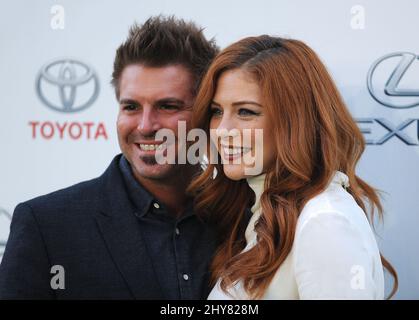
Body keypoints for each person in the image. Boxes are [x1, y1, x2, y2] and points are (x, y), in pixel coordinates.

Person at [0, 16, 219, 299]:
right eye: (131, 107)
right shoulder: (46, 226)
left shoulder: (244, 220)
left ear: (207, 112)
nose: (145, 126)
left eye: (167, 106)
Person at [189, 35, 398, 299]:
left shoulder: (324, 221)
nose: (222, 131)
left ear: (296, 121)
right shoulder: (264, 213)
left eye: (246, 112)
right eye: (217, 111)